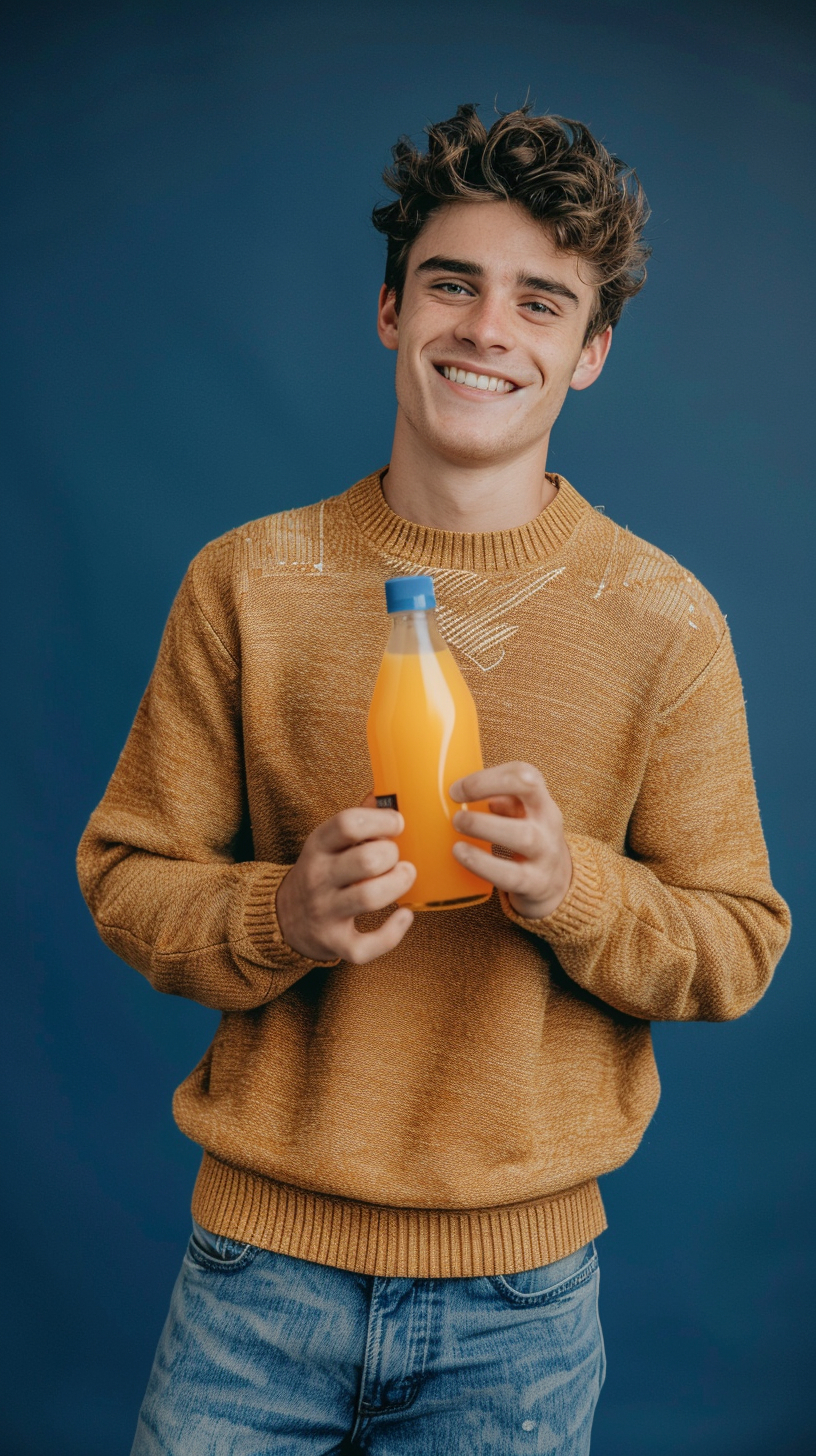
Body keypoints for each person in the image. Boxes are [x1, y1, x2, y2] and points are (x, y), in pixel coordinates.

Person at [77, 103, 790, 1455]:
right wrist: (279, 917)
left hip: (519, 1310)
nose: (487, 329)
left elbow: (739, 947)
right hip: (253, 1277)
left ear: (590, 355)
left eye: (541, 301)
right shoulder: (246, 583)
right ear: (392, 310)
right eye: (453, 284)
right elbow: (126, 878)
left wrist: (575, 887)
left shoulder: (663, 618)